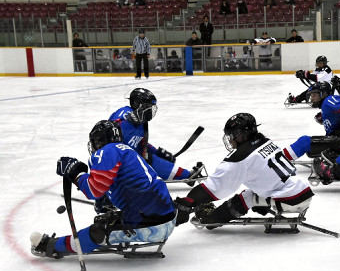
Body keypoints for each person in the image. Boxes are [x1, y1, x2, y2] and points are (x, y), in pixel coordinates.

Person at [30, 120, 177, 259]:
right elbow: (126, 185)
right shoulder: (127, 150)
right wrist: (107, 198)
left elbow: (94, 190)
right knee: (107, 218)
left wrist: (75, 173)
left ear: (98, 140)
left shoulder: (107, 151)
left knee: (98, 231)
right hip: (167, 217)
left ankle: (52, 246)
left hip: (154, 226)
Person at [174, 113, 314, 229]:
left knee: (245, 198)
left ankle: (211, 220)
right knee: (251, 194)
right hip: (302, 191)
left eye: (231, 136)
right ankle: (264, 200)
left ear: (240, 135)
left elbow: (213, 188)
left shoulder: (239, 158)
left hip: (288, 199)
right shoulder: (265, 141)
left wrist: (188, 202)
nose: (230, 140)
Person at [109, 88, 203, 184]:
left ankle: (185, 174)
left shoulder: (141, 122)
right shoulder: (125, 113)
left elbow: (140, 143)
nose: (151, 110)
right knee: (147, 158)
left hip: (125, 159)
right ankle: (187, 176)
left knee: (147, 157)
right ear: (138, 104)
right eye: (148, 106)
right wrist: (130, 122)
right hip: (113, 164)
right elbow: (111, 134)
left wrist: (157, 152)